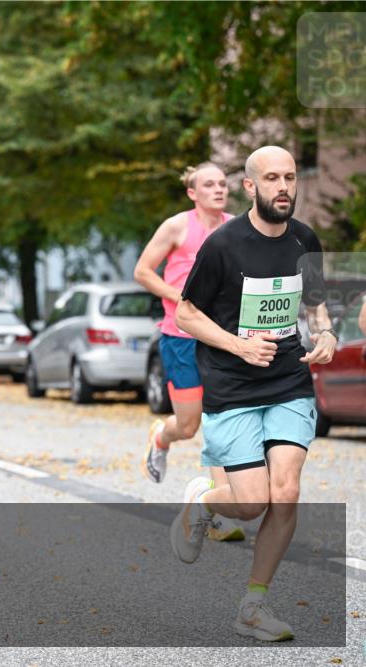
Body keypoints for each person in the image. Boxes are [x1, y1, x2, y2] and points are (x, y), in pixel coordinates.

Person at [170, 146, 336, 641]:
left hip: (287, 381)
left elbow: (317, 305)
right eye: (271, 178)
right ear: (250, 186)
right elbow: (185, 314)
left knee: (284, 493)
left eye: (289, 177)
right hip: (232, 384)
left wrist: (325, 334)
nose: (283, 187)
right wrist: (237, 345)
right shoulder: (223, 245)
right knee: (249, 504)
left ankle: (253, 606)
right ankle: (202, 504)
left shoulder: (305, 240)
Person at [133, 162, 244, 542]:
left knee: (219, 419)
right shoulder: (177, 226)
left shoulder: (236, 228)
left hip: (217, 337)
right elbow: (143, 271)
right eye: (208, 184)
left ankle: (217, 509)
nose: (218, 189)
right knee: (189, 424)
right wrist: (181, 296)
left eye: (222, 184)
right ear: (192, 193)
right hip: (179, 337)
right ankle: (162, 437)